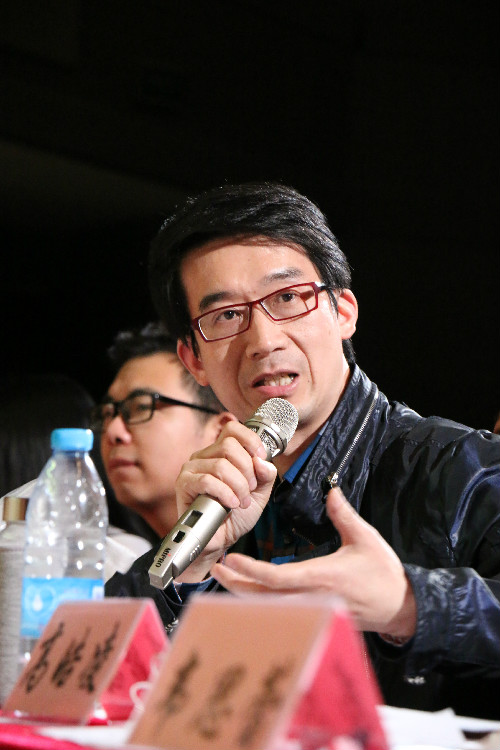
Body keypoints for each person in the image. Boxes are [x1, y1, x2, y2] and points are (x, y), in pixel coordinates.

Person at [106, 182, 500, 719]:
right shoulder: (222, 501)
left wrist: (409, 604)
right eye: (225, 316)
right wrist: (191, 567)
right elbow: (87, 671)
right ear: (194, 361)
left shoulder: (463, 469)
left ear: (344, 311)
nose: (263, 340)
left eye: (287, 298)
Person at [93, 321, 229, 541]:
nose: (113, 431)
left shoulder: (266, 549)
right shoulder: (131, 558)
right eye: (107, 413)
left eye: (141, 407)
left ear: (219, 432)